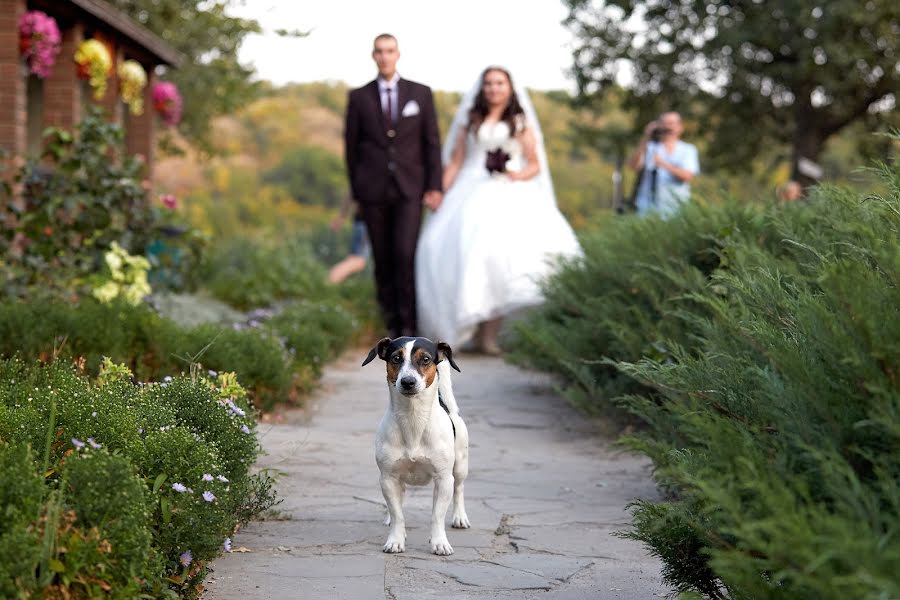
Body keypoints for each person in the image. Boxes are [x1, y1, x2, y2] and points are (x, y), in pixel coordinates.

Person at [415, 66, 581, 355]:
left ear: (509, 87)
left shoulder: (519, 121)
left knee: (499, 257)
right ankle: (465, 326)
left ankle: (489, 335)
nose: (493, 88)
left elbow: (534, 163)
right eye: (489, 83)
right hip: (469, 188)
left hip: (508, 190)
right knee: (455, 251)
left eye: (499, 83)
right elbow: (455, 161)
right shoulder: (471, 119)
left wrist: (516, 175)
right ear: (482, 88)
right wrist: (439, 191)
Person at [343, 33, 443, 338]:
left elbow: (431, 143)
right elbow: (351, 147)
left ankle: (409, 326)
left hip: (410, 189)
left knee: (404, 254)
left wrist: (434, 186)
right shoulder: (359, 97)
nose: (385, 56)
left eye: (390, 51)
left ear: (398, 54)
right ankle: (390, 325)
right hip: (373, 191)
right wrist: (358, 188)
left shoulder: (421, 94)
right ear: (373, 56)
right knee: (383, 260)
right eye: (379, 51)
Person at [627, 112, 699, 217]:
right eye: (663, 123)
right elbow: (633, 166)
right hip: (647, 208)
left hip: (676, 208)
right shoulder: (649, 147)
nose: (667, 127)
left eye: (671, 123)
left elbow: (687, 176)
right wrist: (646, 137)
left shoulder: (688, 149)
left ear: (680, 127)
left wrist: (662, 164)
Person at [327, 196, 369, 285]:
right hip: (368, 222)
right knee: (357, 260)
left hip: (361, 221)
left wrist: (341, 217)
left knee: (355, 260)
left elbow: (350, 193)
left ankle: (329, 282)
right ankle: (328, 282)